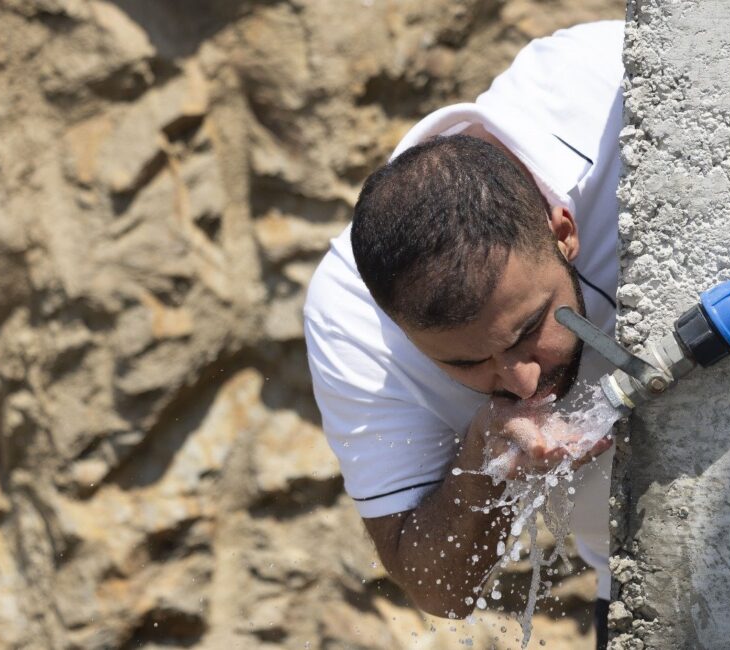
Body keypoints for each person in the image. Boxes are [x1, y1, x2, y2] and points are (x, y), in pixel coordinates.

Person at [303, 20, 625, 646]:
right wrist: (485, 453)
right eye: (466, 366)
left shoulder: (608, 84)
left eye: (530, 328)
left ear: (563, 230)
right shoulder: (351, 319)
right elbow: (440, 589)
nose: (522, 378)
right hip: (640, 577)